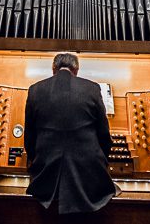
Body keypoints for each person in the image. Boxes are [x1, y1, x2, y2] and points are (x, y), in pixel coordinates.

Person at [24, 53, 117, 215]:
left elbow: (29, 138)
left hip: (46, 177)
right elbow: (104, 134)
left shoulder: (35, 90)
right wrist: (102, 162)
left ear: (54, 69)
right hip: (88, 178)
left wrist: (36, 162)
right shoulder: (92, 88)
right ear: (76, 70)